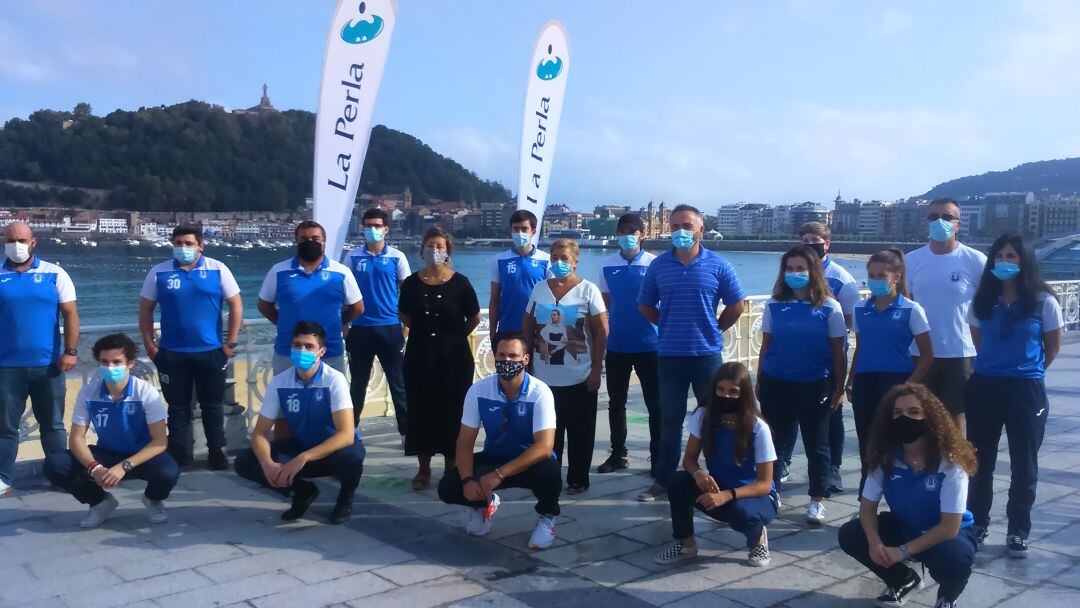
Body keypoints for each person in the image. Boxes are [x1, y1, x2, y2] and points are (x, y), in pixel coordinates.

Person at [637, 205, 746, 503]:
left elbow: (738, 304)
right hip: (670, 355)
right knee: (669, 420)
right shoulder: (659, 266)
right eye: (674, 226)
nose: (680, 232)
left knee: (715, 418)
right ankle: (663, 479)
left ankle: (721, 478)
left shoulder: (719, 265)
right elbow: (645, 305)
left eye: (686, 225)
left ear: (700, 229)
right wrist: (669, 322)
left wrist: (715, 328)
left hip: (707, 356)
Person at [965, 234, 1063, 558]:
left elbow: (1051, 349)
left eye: (1012, 257)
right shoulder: (982, 301)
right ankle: (977, 523)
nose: (1005, 262)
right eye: (1000, 256)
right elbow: (978, 342)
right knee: (980, 461)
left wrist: (1024, 370)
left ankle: (1018, 529)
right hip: (985, 387)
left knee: (1025, 465)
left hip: (1026, 391)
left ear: (1025, 262)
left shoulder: (1043, 302)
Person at [839, 384, 979, 608]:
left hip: (947, 535)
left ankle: (948, 595)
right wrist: (875, 543)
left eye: (914, 412)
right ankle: (903, 580)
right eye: (897, 413)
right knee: (851, 534)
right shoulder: (884, 457)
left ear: (929, 418)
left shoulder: (950, 462)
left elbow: (949, 527)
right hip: (907, 526)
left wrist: (902, 552)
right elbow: (867, 508)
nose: (905, 419)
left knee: (956, 559)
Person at [438, 331, 562, 550]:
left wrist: (500, 474)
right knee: (448, 486)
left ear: (525, 359)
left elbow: (544, 446)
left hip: (528, 462)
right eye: (501, 355)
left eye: (513, 356)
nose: (506, 361)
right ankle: (481, 505)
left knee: (551, 471)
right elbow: (465, 442)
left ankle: (547, 516)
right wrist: (467, 480)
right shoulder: (478, 391)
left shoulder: (540, 392)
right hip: (495, 456)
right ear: (493, 357)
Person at [234, 321, 365, 524]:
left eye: (309, 346)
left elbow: (346, 434)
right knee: (244, 461)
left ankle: (345, 499)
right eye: (297, 345)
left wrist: (303, 458)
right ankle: (302, 491)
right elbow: (260, 433)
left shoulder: (334, 380)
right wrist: (267, 464)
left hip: (332, 450)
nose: (301, 350)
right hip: (301, 445)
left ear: (321, 351)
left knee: (352, 460)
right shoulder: (279, 382)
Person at [43, 334, 179, 527]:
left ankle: (153, 499)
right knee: (55, 465)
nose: (110, 367)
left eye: (117, 362)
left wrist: (124, 466)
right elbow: (76, 440)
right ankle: (100, 502)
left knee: (169, 472)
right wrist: (95, 467)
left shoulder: (145, 392)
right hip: (106, 453)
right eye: (104, 362)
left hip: (141, 456)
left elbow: (159, 442)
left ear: (130, 363)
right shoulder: (88, 393)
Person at [654, 362, 777, 568]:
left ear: (743, 394)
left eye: (733, 391)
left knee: (742, 513)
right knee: (677, 481)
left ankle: (758, 539)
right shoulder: (704, 415)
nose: (725, 396)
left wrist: (728, 495)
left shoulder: (758, 428)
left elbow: (765, 484)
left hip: (754, 496)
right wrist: (698, 473)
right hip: (718, 488)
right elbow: (689, 459)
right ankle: (686, 545)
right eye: (721, 389)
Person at [139, 224, 242, 470]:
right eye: (177, 243)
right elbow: (145, 309)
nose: (182, 248)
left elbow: (236, 305)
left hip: (211, 352)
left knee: (212, 405)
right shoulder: (159, 272)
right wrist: (150, 346)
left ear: (200, 246)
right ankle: (178, 452)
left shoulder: (218, 269)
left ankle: (216, 451)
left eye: (188, 243)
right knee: (177, 407)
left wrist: (230, 343)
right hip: (172, 353)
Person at [757, 245, 846, 525]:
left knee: (817, 444)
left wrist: (839, 387)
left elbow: (837, 350)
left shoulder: (829, 307)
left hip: (814, 384)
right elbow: (766, 344)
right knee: (774, 442)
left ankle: (816, 500)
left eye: (801, 269)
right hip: (776, 382)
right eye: (790, 268)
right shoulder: (773, 305)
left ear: (813, 272)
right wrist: (758, 380)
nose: (795, 274)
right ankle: (772, 491)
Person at [0, 221, 80, 497]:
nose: (16, 245)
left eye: (21, 239)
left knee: (53, 425)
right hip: (6, 367)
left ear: (33, 242)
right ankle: (2, 479)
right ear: (3, 241)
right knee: (5, 427)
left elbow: (70, 314)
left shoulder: (55, 273)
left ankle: (60, 475)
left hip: (48, 366)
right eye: (10, 239)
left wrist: (70, 351)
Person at [523, 239, 608, 494]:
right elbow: (527, 324)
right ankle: (549, 477)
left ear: (575, 261)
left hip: (580, 376)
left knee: (581, 432)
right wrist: (527, 362)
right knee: (549, 432)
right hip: (544, 376)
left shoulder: (588, 290)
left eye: (564, 258)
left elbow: (601, 331)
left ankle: (578, 479)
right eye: (555, 257)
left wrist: (596, 370)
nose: (559, 262)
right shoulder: (539, 289)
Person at [398, 227, 480, 490]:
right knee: (421, 411)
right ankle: (423, 470)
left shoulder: (462, 283)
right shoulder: (411, 283)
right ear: (422, 249)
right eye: (430, 245)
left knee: (453, 411)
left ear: (448, 252)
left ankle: (451, 467)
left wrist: (454, 336)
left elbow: (475, 317)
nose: (435, 250)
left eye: (440, 246)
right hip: (419, 357)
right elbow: (405, 316)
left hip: (455, 359)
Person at [846, 249, 933, 492]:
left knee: (895, 438)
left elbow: (927, 355)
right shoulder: (861, 309)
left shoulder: (912, 309)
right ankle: (868, 489)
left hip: (896, 380)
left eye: (881, 275)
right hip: (866, 381)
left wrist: (908, 387)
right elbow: (860, 348)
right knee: (867, 438)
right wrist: (851, 380)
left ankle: (900, 486)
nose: (875, 280)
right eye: (871, 275)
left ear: (896, 277)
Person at [904, 198, 987, 427]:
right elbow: (905, 304)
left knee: (955, 416)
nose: (940, 221)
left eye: (947, 217)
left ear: (958, 224)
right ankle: (925, 463)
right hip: (920, 353)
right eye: (934, 216)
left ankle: (955, 463)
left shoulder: (975, 261)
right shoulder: (911, 260)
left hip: (960, 353)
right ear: (926, 222)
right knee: (919, 413)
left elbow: (987, 305)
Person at [799, 222, 859, 494]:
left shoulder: (841, 278)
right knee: (792, 416)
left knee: (831, 417)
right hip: (797, 358)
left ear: (826, 243)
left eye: (815, 240)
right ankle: (784, 462)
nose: (810, 244)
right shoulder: (795, 273)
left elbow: (850, 320)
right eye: (805, 240)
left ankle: (832, 469)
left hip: (828, 359)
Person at [597, 213, 659, 476]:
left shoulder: (655, 265)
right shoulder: (606, 265)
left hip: (651, 345)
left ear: (642, 235)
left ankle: (658, 455)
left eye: (632, 231)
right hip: (618, 345)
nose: (627, 236)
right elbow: (605, 304)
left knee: (655, 404)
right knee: (616, 402)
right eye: (622, 231)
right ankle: (618, 453)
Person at [257, 221, 364, 375]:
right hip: (288, 352)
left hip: (330, 352)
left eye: (315, 238)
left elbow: (358, 307)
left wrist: (338, 323)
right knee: (287, 396)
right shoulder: (278, 271)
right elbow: (264, 305)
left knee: (331, 397)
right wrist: (284, 323)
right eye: (304, 239)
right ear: (297, 242)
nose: (310, 242)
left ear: (324, 243)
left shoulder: (341, 272)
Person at [342, 208, 409, 434]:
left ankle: (406, 434)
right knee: (357, 385)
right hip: (359, 329)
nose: (373, 230)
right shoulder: (352, 256)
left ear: (386, 229)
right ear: (363, 229)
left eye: (377, 226)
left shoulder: (397, 257)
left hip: (390, 328)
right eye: (368, 226)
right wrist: (345, 324)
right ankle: (350, 432)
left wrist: (406, 328)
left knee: (398, 384)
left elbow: (408, 295)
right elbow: (344, 295)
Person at [488, 210, 551, 333]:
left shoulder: (547, 260)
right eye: (515, 229)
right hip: (507, 328)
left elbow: (552, 299)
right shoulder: (498, 260)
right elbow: (494, 299)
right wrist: (492, 332)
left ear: (533, 232)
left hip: (537, 330)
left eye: (524, 229)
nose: (519, 233)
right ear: (511, 230)